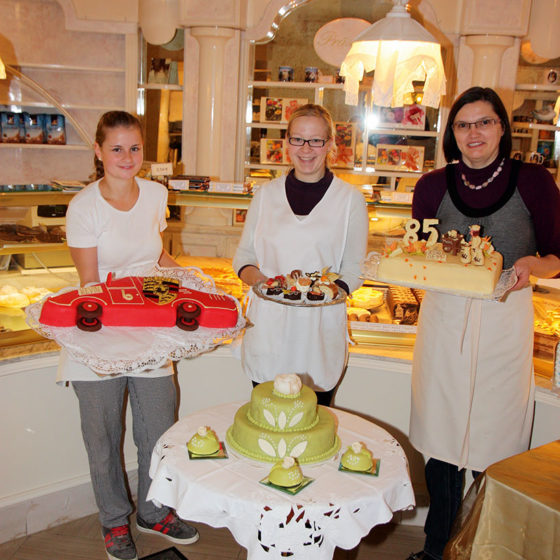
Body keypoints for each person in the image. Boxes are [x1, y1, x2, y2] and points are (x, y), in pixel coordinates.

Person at [406, 87, 560, 560]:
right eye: (463, 124)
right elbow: (419, 254)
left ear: (501, 127)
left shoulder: (533, 180)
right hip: (445, 316)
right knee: (442, 437)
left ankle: (480, 547)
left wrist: (533, 267)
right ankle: (437, 549)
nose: (474, 133)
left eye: (484, 122)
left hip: (504, 318)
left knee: (494, 437)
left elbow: (558, 255)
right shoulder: (431, 186)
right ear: (452, 134)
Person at [60, 111, 199, 560]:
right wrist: (144, 298)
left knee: (160, 427)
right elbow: (90, 286)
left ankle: (154, 510)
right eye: (116, 148)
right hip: (98, 325)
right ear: (98, 152)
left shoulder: (157, 193)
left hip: (148, 324)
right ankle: (114, 521)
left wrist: (193, 280)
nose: (127, 157)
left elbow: (154, 255)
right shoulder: (84, 206)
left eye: (135, 148)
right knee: (102, 434)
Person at [233, 104, 369, 405]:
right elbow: (243, 257)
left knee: (313, 428)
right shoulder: (265, 195)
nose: (306, 149)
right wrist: (265, 284)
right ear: (286, 144)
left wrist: (331, 292)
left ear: (331, 144)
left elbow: (355, 268)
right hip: (269, 326)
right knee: (266, 426)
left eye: (316, 140)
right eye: (298, 139)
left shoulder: (350, 201)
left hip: (318, 333)